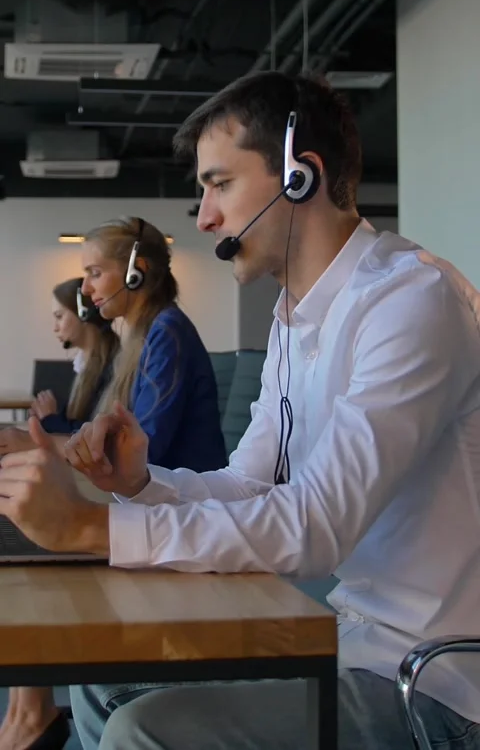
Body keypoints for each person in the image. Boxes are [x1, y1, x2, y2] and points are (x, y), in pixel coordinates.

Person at [1, 70, 480, 750]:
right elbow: (249, 481)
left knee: (146, 728)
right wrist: (140, 485)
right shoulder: (293, 322)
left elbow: (316, 525)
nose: (203, 217)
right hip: (347, 639)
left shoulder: (412, 302)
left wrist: (91, 529)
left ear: (300, 177)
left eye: (219, 184)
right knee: (103, 682)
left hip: (432, 682)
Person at [0, 279, 119, 750]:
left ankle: (32, 711)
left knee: (26, 516)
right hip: (129, 481)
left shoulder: (150, 342)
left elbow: (122, 443)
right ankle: (24, 707)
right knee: (18, 502)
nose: (55, 323)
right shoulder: (100, 362)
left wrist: (46, 431)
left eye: (59, 314)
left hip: (147, 486)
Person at [78, 215, 226, 473]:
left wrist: (51, 446)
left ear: (136, 272)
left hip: (185, 504)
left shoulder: (167, 332)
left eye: (95, 273)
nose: (85, 289)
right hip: (161, 499)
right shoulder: (145, 334)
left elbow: (143, 451)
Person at [0, 277, 119, 459]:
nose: (55, 328)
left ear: (83, 314)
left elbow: (95, 437)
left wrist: (50, 419)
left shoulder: (111, 370)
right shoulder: (87, 367)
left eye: (59, 316)